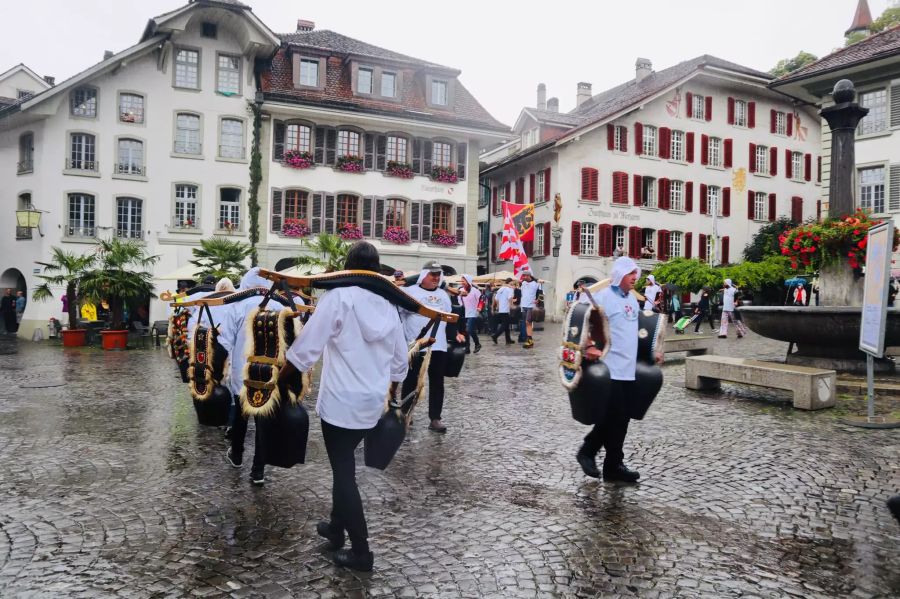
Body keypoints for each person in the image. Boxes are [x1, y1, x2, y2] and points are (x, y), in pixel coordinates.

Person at [279, 242, 408, 572]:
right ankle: (336, 529)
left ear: (347, 267)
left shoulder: (338, 297)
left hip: (339, 402)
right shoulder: (389, 305)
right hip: (371, 404)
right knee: (345, 467)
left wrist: (280, 379)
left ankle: (361, 551)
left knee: (343, 474)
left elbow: (307, 347)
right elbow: (399, 365)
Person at [576, 256, 663, 482]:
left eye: (637, 274)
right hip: (608, 369)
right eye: (631, 273)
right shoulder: (602, 297)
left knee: (621, 420)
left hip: (628, 369)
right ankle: (588, 451)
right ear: (619, 275)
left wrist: (651, 351)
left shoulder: (633, 301)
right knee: (614, 415)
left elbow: (635, 333)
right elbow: (582, 323)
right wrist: (589, 346)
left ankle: (613, 466)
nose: (635, 278)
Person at [217, 267, 294, 485]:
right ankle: (258, 470)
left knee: (241, 418)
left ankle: (237, 454)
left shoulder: (238, 306)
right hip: (270, 375)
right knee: (263, 421)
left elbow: (225, 341)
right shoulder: (281, 306)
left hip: (242, 374)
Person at [400, 260, 465, 433]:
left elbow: (448, 319)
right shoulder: (409, 293)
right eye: (432, 274)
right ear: (424, 275)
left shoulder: (444, 295)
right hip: (416, 345)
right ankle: (406, 414)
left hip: (438, 346)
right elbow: (399, 316)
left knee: (437, 382)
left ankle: (435, 418)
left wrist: (455, 334)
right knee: (411, 381)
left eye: (438, 275)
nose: (436, 278)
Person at [518, 270, 541, 349]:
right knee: (527, 323)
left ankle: (529, 339)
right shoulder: (523, 283)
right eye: (523, 276)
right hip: (523, 305)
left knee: (528, 321)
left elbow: (541, 293)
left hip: (531, 305)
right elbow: (522, 293)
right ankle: (529, 339)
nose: (524, 277)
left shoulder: (536, 283)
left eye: (525, 276)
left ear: (529, 276)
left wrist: (538, 299)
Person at [460, 275, 482, 354]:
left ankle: (477, 343)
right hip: (465, 313)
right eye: (461, 281)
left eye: (463, 281)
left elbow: (482, 299)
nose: (462, 282)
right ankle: (467, 347)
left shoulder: (475, 290)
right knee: (465, 331)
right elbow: (460, 302)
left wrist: (479, 308)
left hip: (473, 313)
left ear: (468, 281)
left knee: (469, 329)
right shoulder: (461, 290)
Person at [491, 279, 515, 345]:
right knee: (504, 325)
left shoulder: (501, 289)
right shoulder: (510, 289)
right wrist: (511, 306)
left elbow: (496, 298)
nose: (512, 285)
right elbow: (510, 298)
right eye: (512, 284)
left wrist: (498, 306)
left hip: (501, 309)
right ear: (508, 283)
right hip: (506, 309)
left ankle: (508, 339)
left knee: (506, 325)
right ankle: (495, 336)